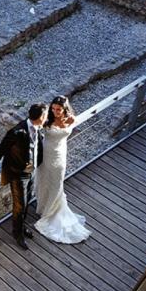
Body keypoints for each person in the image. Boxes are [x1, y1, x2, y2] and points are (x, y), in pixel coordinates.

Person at [0, 103, 47, 250]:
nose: (46, 118)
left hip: (31, 171)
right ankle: (17, 234)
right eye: (45, 116)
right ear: (40, 117)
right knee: (19, 206)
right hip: (18, 175)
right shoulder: (17, 132)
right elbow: (0, 149)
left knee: (27, 201)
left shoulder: (39, 127)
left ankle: (22, 228)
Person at [34, 96, 91, 244]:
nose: (55, 111)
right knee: (43, 180)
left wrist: (71, 122)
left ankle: (51, 210)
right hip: (45, 155)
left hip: (60, 156)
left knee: (57, 183)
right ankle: (42, 207)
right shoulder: (47, 120)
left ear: (64, 109)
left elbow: (72, 124)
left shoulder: (71, 119)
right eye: (53, 108)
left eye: (58, 109)